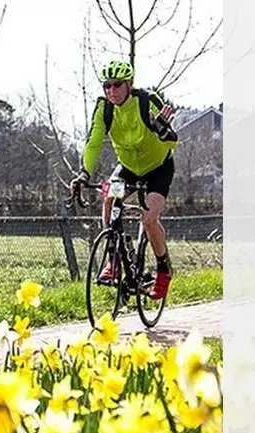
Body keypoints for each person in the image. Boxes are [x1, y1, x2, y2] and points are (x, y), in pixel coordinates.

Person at [70, 60, 178, 300]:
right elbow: (94, 142)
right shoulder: (104, 109)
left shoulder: (147, 101)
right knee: (108, 198)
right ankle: (116, 258)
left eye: (117, 85)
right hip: (127, 168)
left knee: (149, 219)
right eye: (106, 86)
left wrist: (160, 129)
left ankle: (163, 269)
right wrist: (84, 174)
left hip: (158, 168)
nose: (111, 91)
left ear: (129, 84)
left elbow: (173, 141)